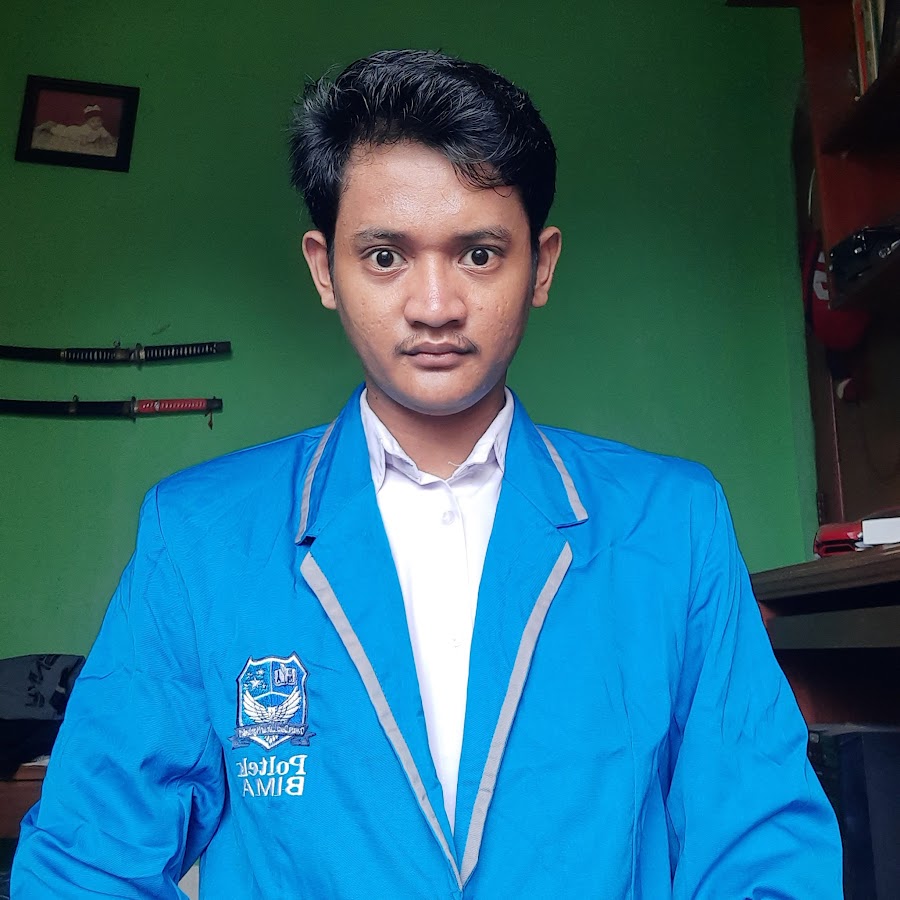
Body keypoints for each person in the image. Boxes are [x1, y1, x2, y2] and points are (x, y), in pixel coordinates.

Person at [12, 49, 842, 898]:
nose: (435, 305)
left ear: (542, 265)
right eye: (385, 257)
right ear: (323, 269)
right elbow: (86, 862)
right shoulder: (199, 535)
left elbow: (765, 849)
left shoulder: (672, 522)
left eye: (479, 254)